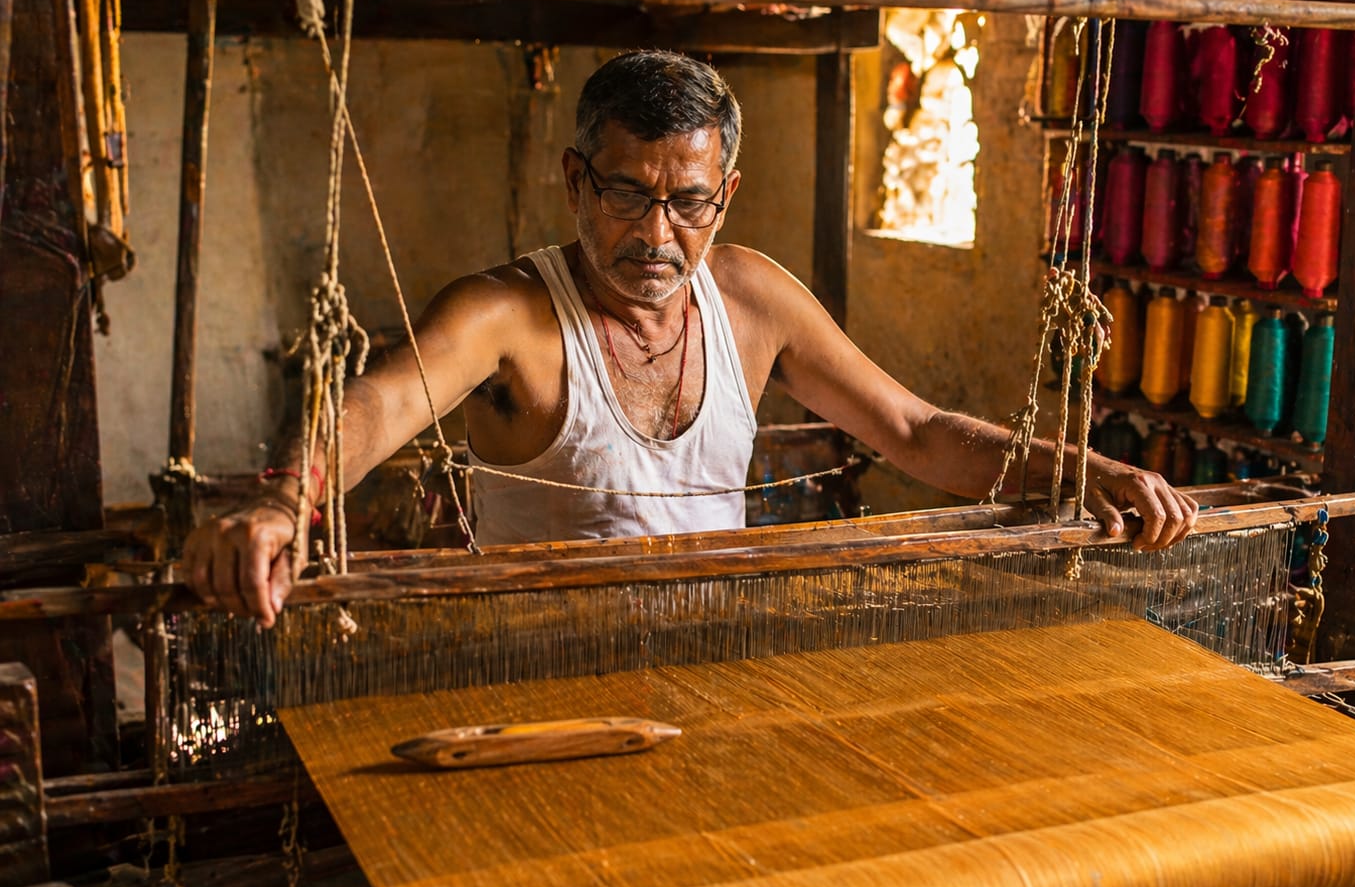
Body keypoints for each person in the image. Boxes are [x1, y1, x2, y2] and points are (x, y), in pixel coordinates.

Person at [183, 49, 1196, 631]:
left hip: (725, 648)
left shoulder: (751, 297)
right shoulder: (508, 316)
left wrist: (1078, 468)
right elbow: (382, 403)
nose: (658, 235)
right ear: (578, 181)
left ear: (726, 196)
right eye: (628, 195)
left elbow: (915, 428)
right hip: (540, 670)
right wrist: (286, 502)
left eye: (690, 204)